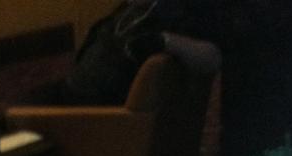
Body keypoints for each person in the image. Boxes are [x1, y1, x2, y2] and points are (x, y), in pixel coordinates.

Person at [31, 0, 221, 106]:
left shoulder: (169, 15)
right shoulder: (135, 12)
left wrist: (164, 40)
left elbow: (212, 58)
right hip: (74, 101)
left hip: (90, 116)